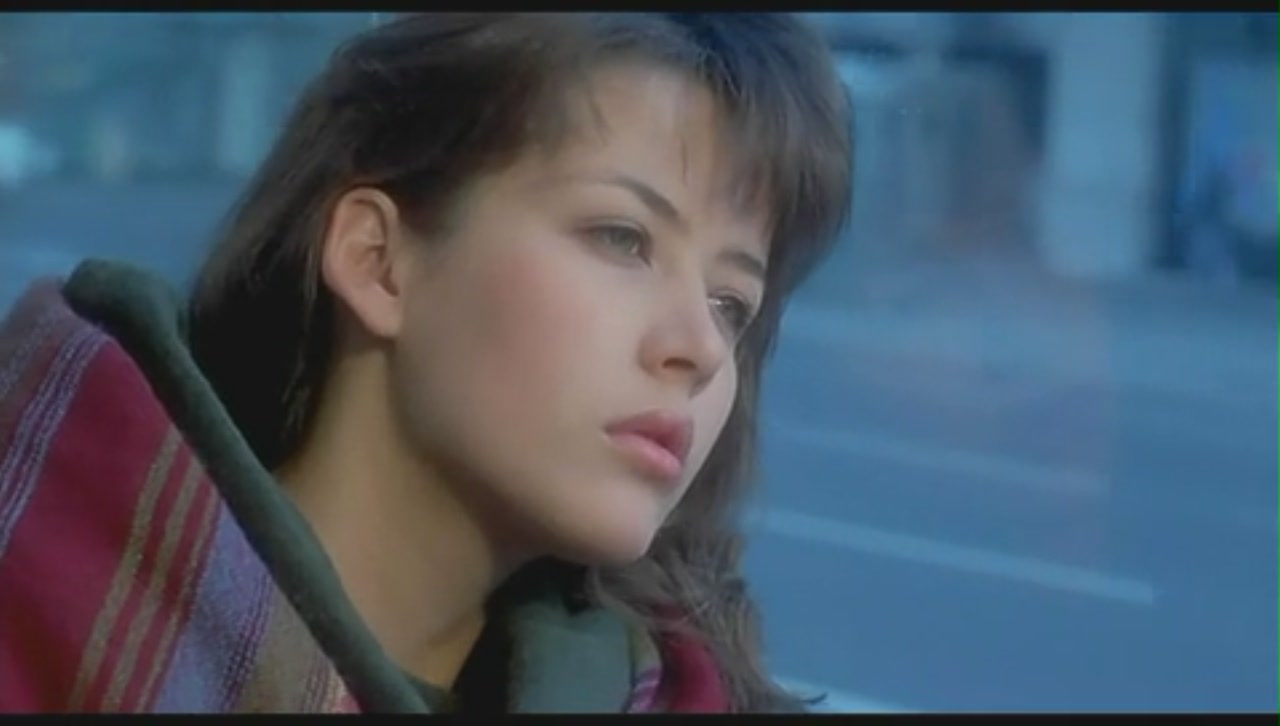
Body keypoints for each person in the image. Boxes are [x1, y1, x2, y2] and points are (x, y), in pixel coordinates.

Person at [0, 12, 852, 713]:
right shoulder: (36, 601)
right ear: (377, 261)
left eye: (731, 302)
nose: (702, 348)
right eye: (623, 238)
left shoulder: (685, 696)